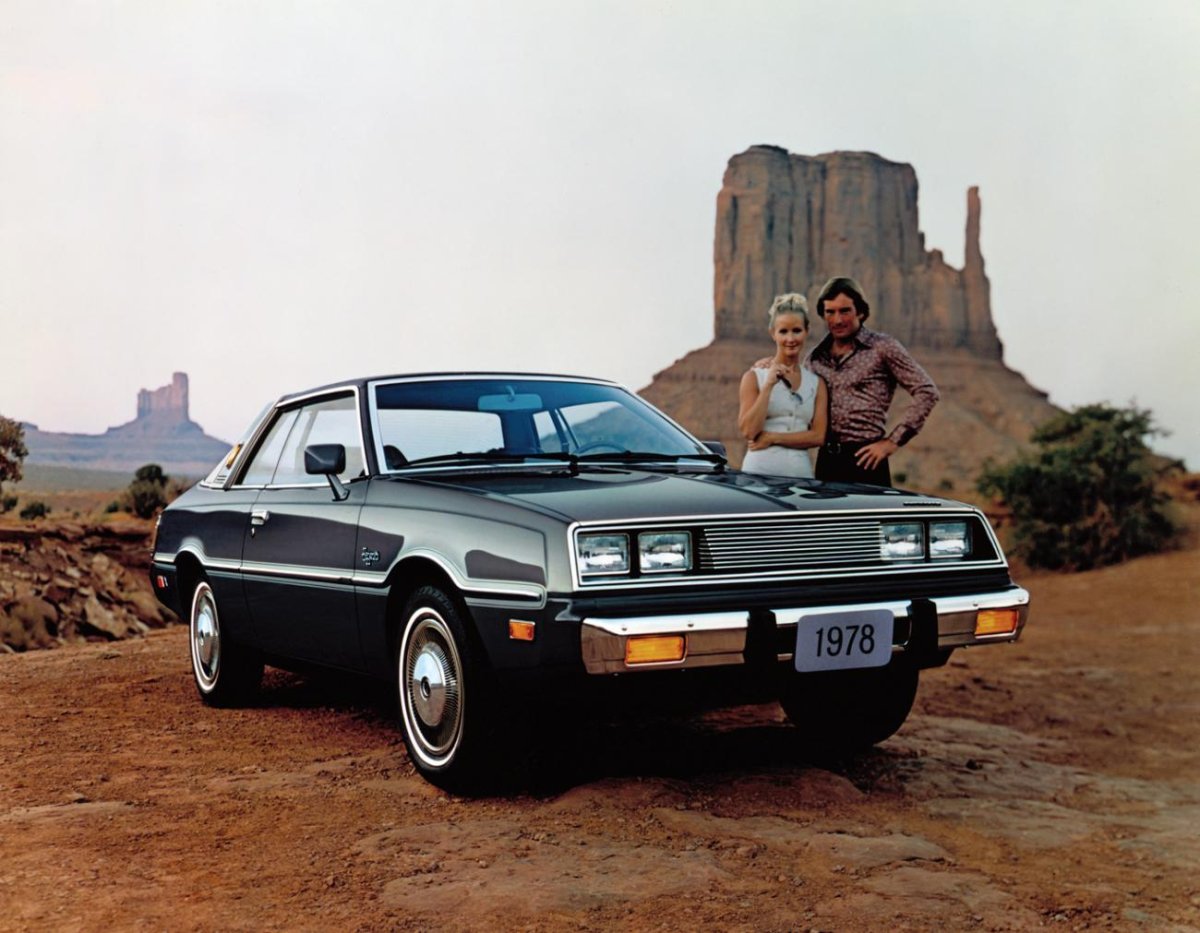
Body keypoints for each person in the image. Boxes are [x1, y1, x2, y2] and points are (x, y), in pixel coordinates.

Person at [804, 276, 939, 485]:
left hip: (867, 460)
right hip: (826, 461)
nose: (837, 320)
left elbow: (927, 391)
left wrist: (891, 443)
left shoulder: (882, 347)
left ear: (860, 311)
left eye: (845, 311)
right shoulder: (814, 358)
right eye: (830, 312)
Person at [737, 293, 828, 478]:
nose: (790, 339)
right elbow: (749, 431)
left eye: (797, 330)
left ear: (807, 331)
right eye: (783, 331)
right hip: (759, 475)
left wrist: (772, 438)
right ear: (773, 333)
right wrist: (768, 386)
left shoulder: (816, 383)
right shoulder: (754, 377)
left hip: (800, 476)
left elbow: (818, 436)